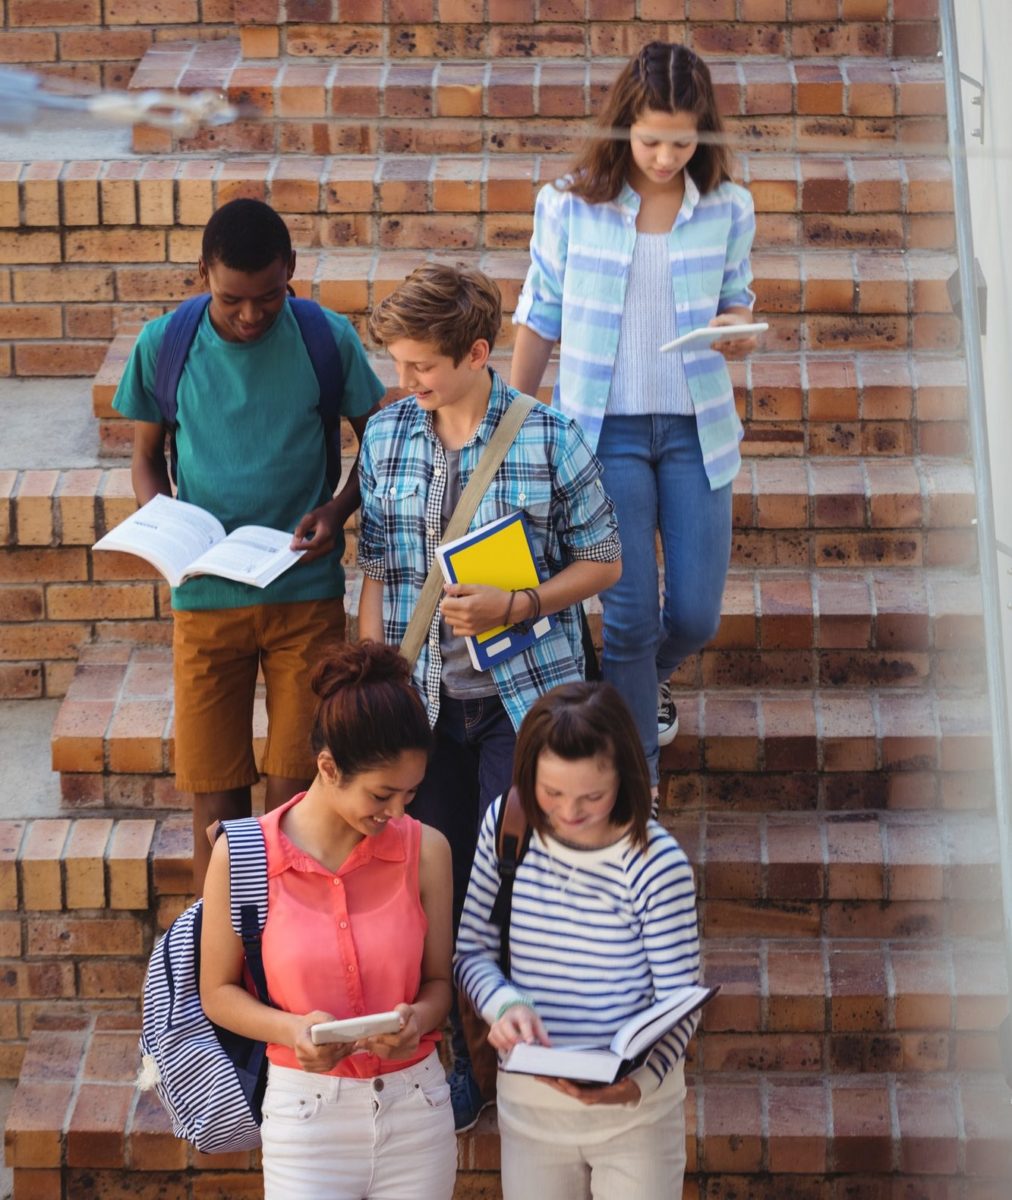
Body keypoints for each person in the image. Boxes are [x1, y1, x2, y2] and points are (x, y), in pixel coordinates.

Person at [358, 262, 622, 1129]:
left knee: (508, 885)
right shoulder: (389, 435)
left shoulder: (551, 438)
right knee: (426, 889)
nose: (407, 383)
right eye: (398, 364)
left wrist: (522, 602)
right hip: (420, 708)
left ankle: (518, 1062)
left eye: (422, 367)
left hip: (523, 703)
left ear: (477, 353)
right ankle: (460, 1068)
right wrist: (370, 685)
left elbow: (605, 562)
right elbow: (378, 571)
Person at [112, 198, 385, 891]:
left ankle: (285, 946)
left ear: (290, 271)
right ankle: (219, 960)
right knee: (216, 793)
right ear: (203, 274)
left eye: (269, 297)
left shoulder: (324, 338)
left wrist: (337, 508)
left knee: (295, 791)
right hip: (204, 596)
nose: (251, 315)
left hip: (302, 593)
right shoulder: (165, 344)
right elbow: (146, 459)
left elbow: (379, 440)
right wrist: (162, 519)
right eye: (231, 298)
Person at [509, 41, 758, 790]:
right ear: (623, 127)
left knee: (692, 617)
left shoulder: (727, 207)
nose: (664, 155)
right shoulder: (569, 203)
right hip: (603, 434)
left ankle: (637, 685)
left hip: (694, 431)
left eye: (683, 141)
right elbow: (540, 313)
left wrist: (738, 328)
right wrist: (513, 417)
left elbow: (736, 300)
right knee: (629, 621)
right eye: (651, 139)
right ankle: (635, 786)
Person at [200, 640, 456, 1200]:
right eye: (383, 794)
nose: (398, 813)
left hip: (418, 1108)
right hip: (304, 1115)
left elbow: (440, 983)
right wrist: (293, 1030)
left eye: (411, 793)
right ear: (328, 767)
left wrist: (417, 1020)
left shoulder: (428, 850)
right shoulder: (243, 855)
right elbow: (217, 993)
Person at [454, 681, 701, 1199]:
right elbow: (471, 953)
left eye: (591, 796)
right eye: (551, 793)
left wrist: (640, 1081)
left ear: (625, 776)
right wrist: (504, 1005)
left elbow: (682, 1002)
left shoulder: (657, 862)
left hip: (637, 1114)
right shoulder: (508, 824)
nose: (569, 812)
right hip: (531, 1108)